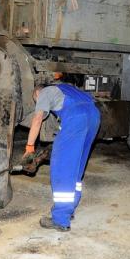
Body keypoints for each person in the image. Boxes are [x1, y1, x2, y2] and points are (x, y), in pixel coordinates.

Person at [23, 83, 101, 232]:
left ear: (37, 94)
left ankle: (60, 219)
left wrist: (29, 147)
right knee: (76, 164)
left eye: (36, 100)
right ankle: (69, 209)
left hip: (76, 117)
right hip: (94, 115)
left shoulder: (44, 92)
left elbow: (38, 118)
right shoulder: (65, 88)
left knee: (62, 167)